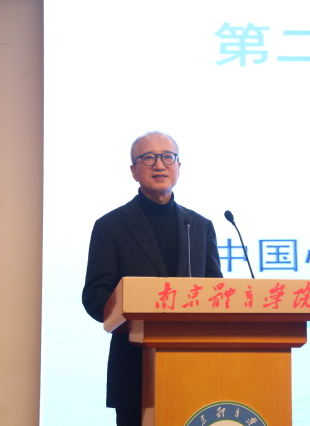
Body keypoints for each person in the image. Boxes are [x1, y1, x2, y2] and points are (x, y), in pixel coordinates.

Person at [82, 131, 223, 426]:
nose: (159, 164)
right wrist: (139, 312)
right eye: (148, 158)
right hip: (134, 369)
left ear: (179, 166)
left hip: (194, 367)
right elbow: (95, 297)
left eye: (167, 157)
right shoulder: (110, 226)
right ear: (134, 171)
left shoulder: (200, 226)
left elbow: (215, 294)